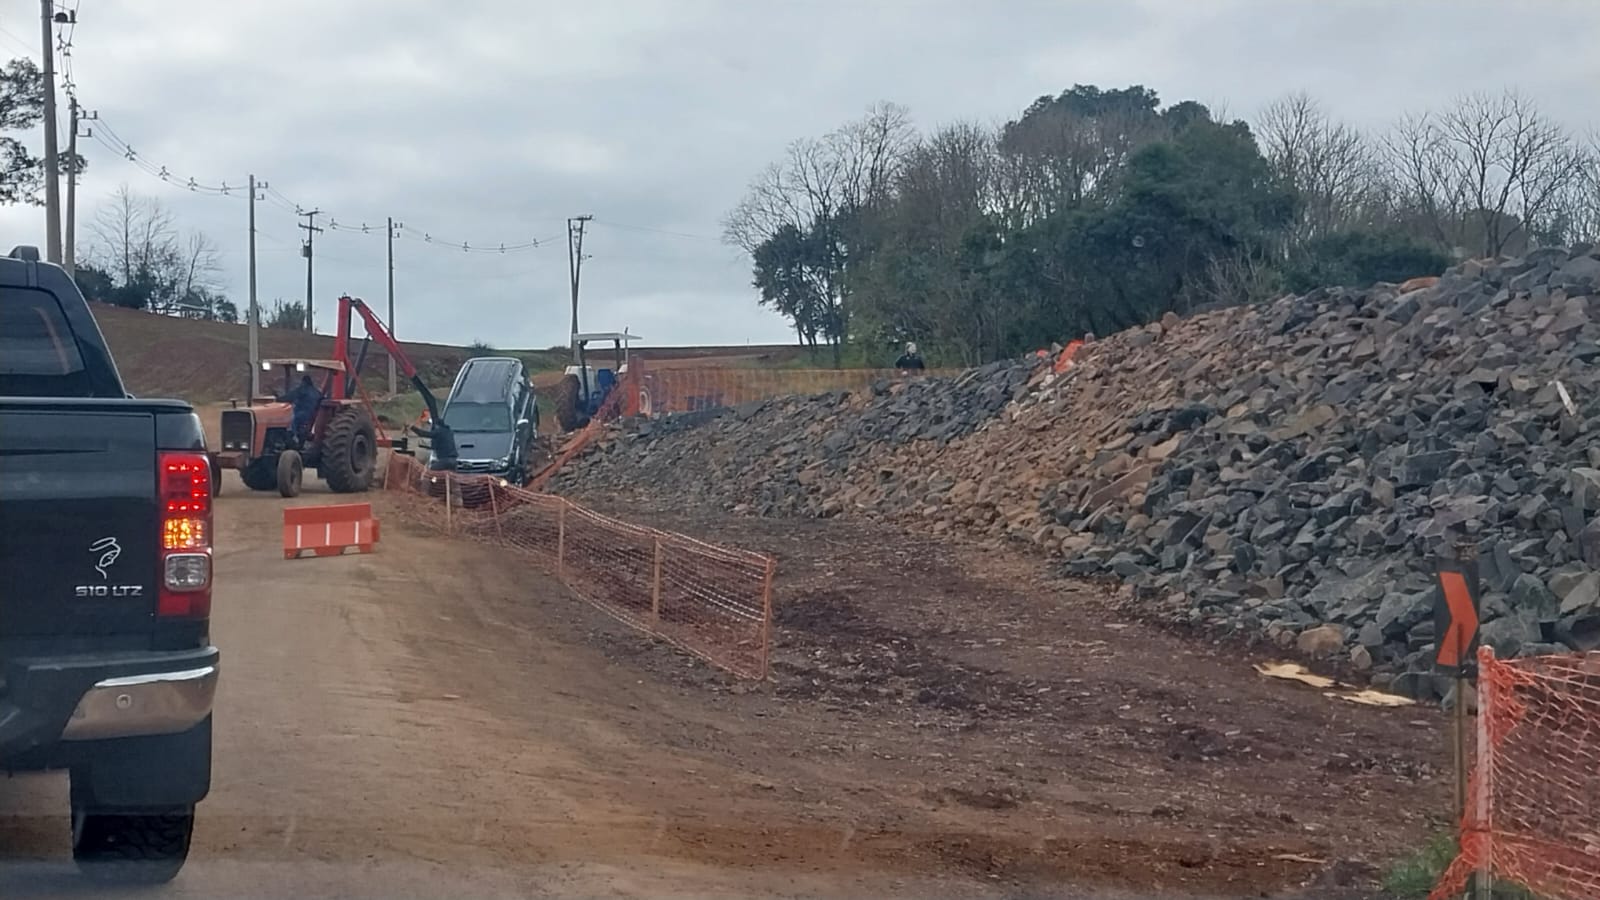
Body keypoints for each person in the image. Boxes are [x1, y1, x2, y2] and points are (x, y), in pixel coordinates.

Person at [280, 375, 322, 444]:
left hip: (303, 413)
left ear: (303, 382)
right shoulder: (316, 392)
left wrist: (279, 399)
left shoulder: (303, 390)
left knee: (292, 420)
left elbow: (291, 396)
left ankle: (293, 436)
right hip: (313, 415)